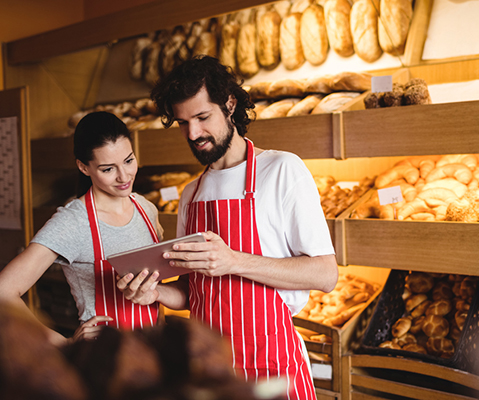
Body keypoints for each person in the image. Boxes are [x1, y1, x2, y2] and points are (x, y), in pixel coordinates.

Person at [117, 55, 339, 399]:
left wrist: (233, 260)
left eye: (202, 117)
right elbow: (196, 294)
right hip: (212, 373)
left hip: (272, 367)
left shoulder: (281, 170)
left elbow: (325, 275)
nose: (193, 133)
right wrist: (155, 293)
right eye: (183, 123)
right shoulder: (191, 193)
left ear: (230, 104)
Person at [0, 111, 164, 346]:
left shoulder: (145, 208)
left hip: (154, 351)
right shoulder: (73, 223)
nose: (124, 176)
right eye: (108, 169)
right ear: (83, 167)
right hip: (104, 359)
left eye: (129, 161)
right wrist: (64, 344)